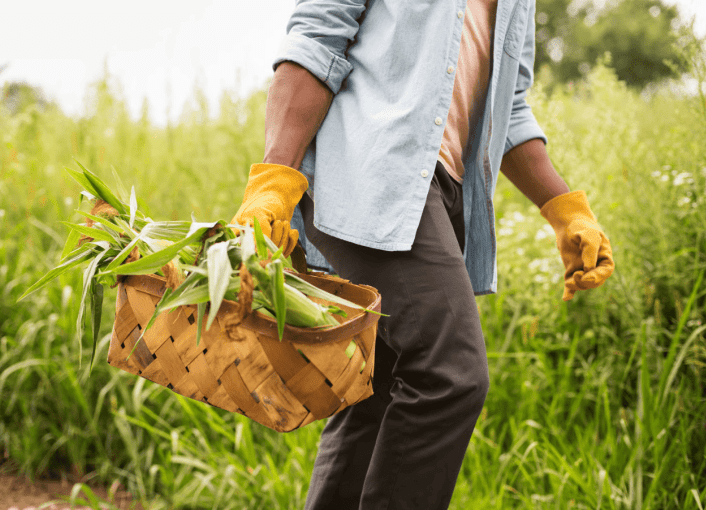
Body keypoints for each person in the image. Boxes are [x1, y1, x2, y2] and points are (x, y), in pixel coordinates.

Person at [231, 0, 615, 508]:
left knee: (377, 391)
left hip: (441, 190)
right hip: (371, 170)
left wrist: (564, 209)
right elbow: (315, 39)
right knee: (450, 374)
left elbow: (509, 109)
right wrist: (274, 180)